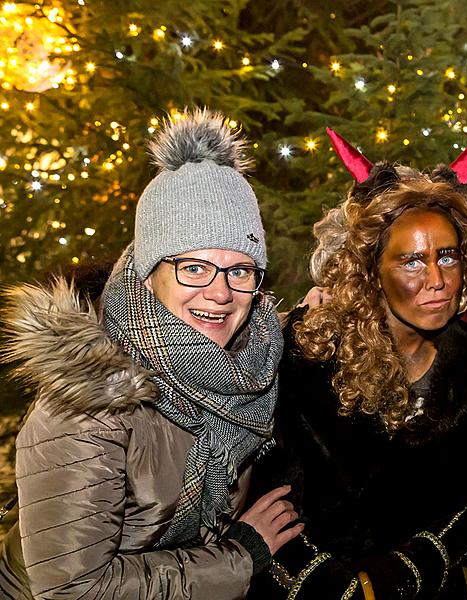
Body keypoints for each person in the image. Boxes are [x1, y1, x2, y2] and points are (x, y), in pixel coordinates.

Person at [0, 108, 302, 599]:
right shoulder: (87, 405)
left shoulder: (249, 361)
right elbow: (73, 588)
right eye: (193, 267)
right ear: (147, 273)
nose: (220, 294)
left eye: (240, 270)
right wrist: (241, 555)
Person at [245, 130, 467, 599]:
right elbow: (270, 494)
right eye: (411, 262)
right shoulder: (304, 353)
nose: (436, 280)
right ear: (370, 270)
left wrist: (399, 575)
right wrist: (340, 589)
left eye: (446, 257)